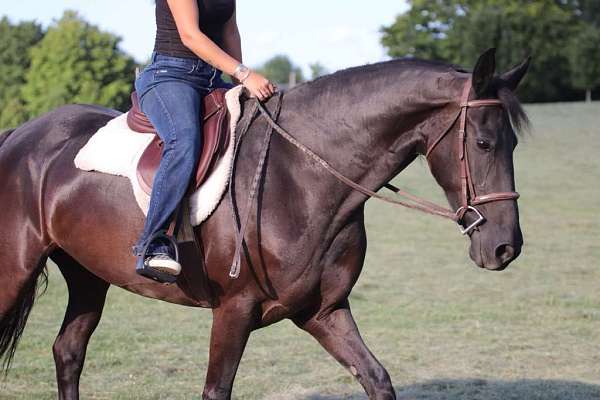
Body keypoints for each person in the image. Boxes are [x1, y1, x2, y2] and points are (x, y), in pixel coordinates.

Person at [132, 0, 276, 278]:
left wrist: (240, 85)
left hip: (212, 79)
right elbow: (190, 35)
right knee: (183, 140)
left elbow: (230, 32)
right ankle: (154, 242)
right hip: (169, 75)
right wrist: (245, 74)